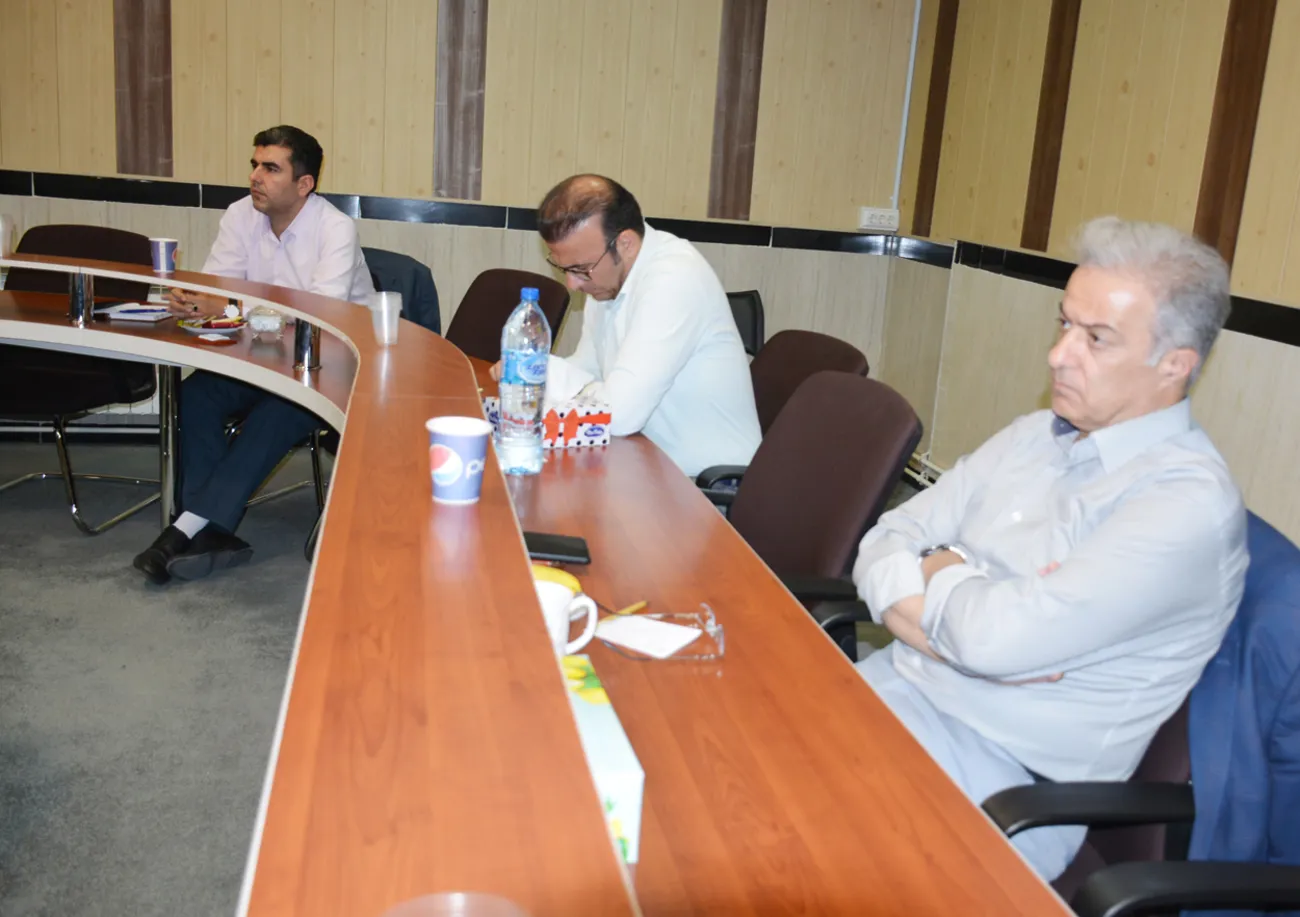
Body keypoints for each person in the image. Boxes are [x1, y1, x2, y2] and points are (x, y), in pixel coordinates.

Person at [850, 216, 1247, 879]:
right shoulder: (1035, 434)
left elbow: (992, 641)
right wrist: (952, 622)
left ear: (1174, 365)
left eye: (1096, 338)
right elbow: (883, 539)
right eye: (1064, 324)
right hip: (884, 694)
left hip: (995, 791)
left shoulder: (1186, 506)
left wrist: (940, 566)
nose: (1059, 355)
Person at [133, 125, 374, 585]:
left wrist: (226, 305)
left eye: (271, 168)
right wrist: (194, 301)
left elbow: (318, 315)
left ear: (304, 184)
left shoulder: (335, 229)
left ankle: (185, 529)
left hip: (325, 367)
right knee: (195, 396)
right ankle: (210, 531)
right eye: (254, 165)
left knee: (277, 413)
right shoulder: (240, 215)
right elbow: (218, 288)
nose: (255, 177)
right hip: (260, 357)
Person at [495, 174, 760, 476]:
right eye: (564, 269)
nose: (572, 284)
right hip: (643, 463)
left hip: (706, 485)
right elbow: (588, 371)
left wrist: (548, 372)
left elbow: (619, 415)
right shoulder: (607, 280)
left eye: (581, 269)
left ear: (626, 244)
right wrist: (536, 375)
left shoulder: (675, 279)